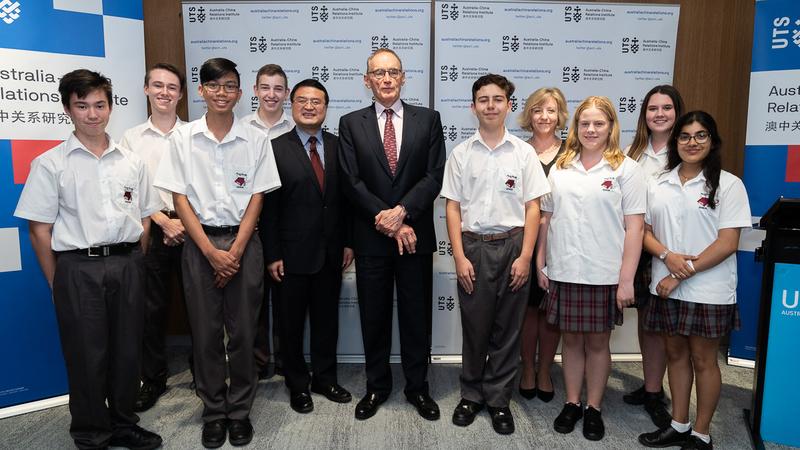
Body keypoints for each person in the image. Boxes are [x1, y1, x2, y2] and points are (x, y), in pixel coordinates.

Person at [14, 69, 163, 450]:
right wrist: (57, 281)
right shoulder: (51, 163)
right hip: (77, 269)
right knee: (86, 356)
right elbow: (39, 230)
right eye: (82, 106)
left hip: (128, 263)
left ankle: (124, 423)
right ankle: (91, 433)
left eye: (100, 105)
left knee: (128, 352)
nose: (92, 114)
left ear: (111, 107)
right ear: (68, 109)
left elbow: (145, 218)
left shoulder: (132, 161)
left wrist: (132, 262)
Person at [154, 57, 281, 448]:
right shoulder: (183, 138)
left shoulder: (256, 138)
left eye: (229, 86)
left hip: (245, 243)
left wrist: (236, 250)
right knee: (206, 334)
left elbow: (258, 196)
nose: (221, 93)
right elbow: (179, 198)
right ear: (202, 91)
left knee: (244, 333)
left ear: (240, 93)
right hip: (199, 245)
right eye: (214, 86)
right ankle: (214, 411)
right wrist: (211, 251)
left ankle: (239, 410)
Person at [337, 48, 446, 421]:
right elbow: (351, 181)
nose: (386, 79)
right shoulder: (350, 123)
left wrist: (402, 214)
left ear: (403, 78)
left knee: (416, 317)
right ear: (366, 80)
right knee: (375, 316)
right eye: (378, 73)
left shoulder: (428, 120)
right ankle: (376, 387)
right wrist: (385, 219)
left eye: (393, 72)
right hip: (371, 237)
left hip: (414, 235)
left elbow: (433, 176)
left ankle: (418, 388)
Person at [441, 74, 549, 435]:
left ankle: (499, 399)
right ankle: (471, 395)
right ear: (473, 107)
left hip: (514, 246)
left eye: (497, 99)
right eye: (483, 99)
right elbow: (453, 208)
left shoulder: (523, 153)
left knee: (508, 329)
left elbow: (533, 208)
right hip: (474, 248)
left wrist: (526, 256)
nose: (490, 105)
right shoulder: (461, 153)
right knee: (476, 327)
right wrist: (458, 256)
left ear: (508, 105)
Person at [638, 111, 751, 450]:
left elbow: (727, 242)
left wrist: (679, 273)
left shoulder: (729, 184)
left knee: (704, 359)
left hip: (708, 289)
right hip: (664, 284)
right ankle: (679, 423)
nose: (692, 142)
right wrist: (666, 258)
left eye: (701, 136)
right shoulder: (658, 181)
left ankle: (701, 434)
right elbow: (644, 231)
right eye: (685, 136)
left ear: (713, 142)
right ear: (675, 142)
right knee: (675, 356)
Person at [537, 96, 646, 441]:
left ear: (611, 126)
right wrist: (541, 261)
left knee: (598, 343)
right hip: (565, 269)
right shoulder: (562, 166)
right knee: (570, 342)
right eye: (585, 123)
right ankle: (572, 402)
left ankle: (594, 407)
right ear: (576, 127)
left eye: (599, 123)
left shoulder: (626, 169)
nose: (591, 130)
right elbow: (547, 218)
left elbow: (636, 228)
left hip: (604, 273)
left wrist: (626, 279)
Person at [260, 79, 354, 414]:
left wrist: (348, 243)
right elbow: (267, 208)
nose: (310, 106)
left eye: (317, 102)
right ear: (291, 104)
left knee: (327, 321)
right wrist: (272, 254)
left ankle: (325, 379)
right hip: (290, 255)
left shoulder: (340, 145)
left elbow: (347, 202)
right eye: (302, 100)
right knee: (291, 324)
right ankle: (297, 384)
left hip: (331, 252)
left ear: (326, 108)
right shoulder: (274, 148)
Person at [120, 62, 188, 412]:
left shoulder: (194, 134)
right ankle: (154, 378)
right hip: (152, 228)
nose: (164, 92)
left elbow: (202, 188)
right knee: (151, 310)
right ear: (146, 89)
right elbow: (128, 191)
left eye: (172, 87)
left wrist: (184, 224)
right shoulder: (131, 139)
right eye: (157, 86)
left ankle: (203, 372)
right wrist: (164, 221)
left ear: (181, 93)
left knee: (200, 307)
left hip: (192, 230)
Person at [623, 85, 685, 428]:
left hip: (674, 252)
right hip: (642, 249)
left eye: (666, 108)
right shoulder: (633, 153)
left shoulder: (687, 151)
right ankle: (651, 389)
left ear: (677, 111)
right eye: (652, 109)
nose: (659, 114)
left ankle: (660, 392)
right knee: (648, 324)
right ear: (644, 114)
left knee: (667, 328)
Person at [516, 87, 569, 403]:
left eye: (550, 110)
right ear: (529, 115)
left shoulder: (573, 154)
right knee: (527, 312)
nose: (544, 117)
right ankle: (526, 370)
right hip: (522, 245)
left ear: (560, 115)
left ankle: (546, 370)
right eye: (538, 110)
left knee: (551, 313)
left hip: (560, 246)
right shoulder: (517, 152)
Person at [240, 63, 293, 379]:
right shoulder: (241, 129)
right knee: (252, 302)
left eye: (278, 89)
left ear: (286, 94)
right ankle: (259, 363)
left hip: (286, 231)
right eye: (265, 87)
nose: (271, 95)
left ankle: (287, 360)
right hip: (249, 228)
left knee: (287, 300)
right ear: (255, 90)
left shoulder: (295, 128)